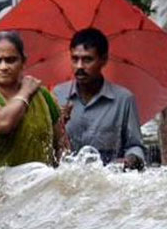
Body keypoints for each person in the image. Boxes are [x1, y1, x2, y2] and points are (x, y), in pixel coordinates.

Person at [0, 31, 69, 171]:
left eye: (11, 60)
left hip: (42, 185)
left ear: (23, 62)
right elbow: (3, 123)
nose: (3, 67)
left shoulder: (42, 94)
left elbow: (61, 145)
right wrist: (25, 92)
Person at [53, 27, 145, 170]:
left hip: (108, 178)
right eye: (75, 59)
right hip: (69, 179)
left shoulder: (123, 99)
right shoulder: (58, 95)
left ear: (103, 60)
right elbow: (47, 145)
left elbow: (135, 146)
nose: (79, 66)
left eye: (87, 59)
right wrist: (59, 124)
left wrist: (130, 160)